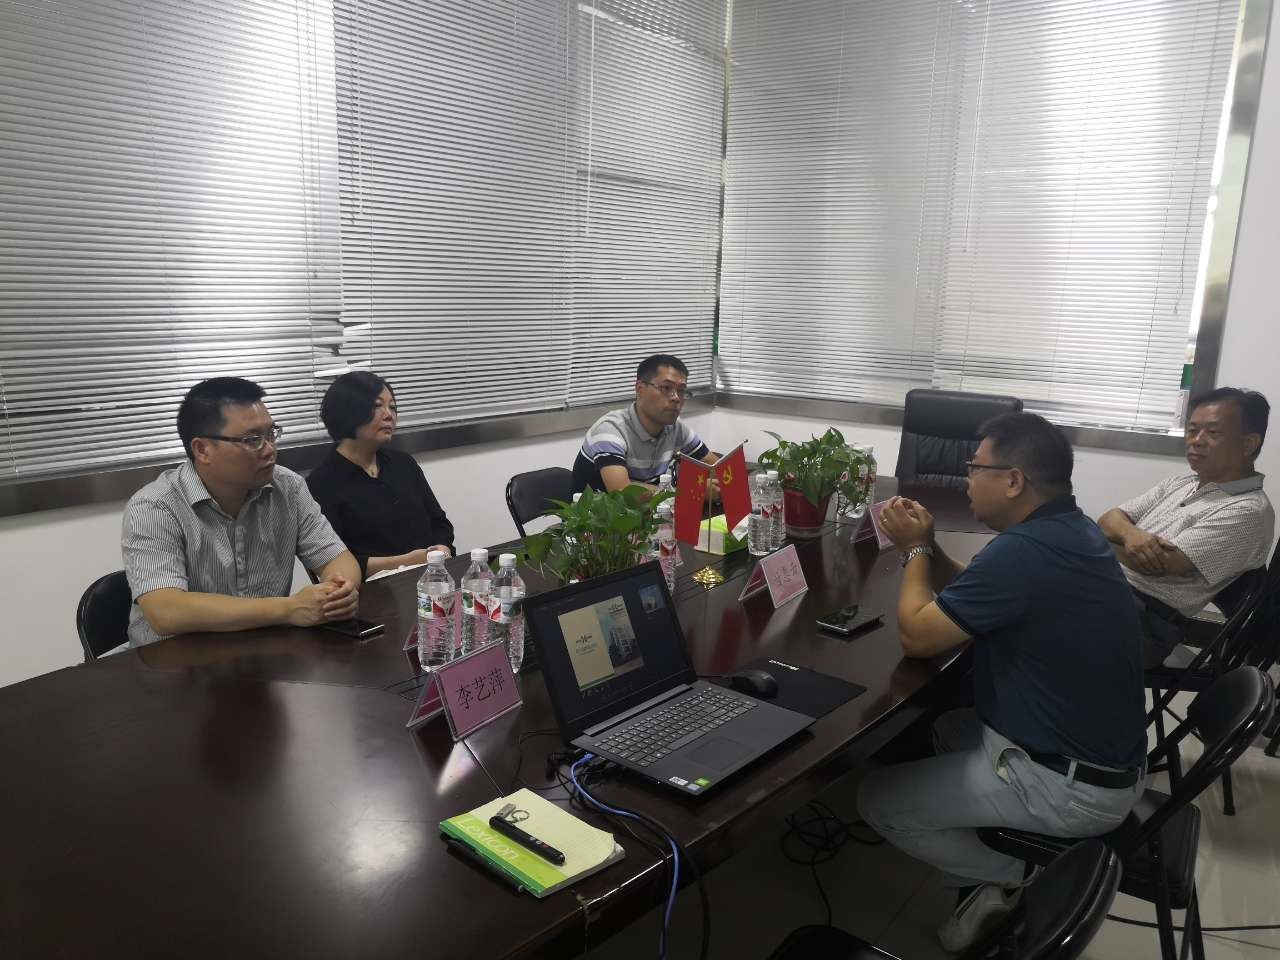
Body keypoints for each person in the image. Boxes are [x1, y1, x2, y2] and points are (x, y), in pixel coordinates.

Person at [857, 413, 1146, 953]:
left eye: (975, 468)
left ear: (1013, 481)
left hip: (1070, 787)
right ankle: (984, 844)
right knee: (945, 728)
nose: (966, 479)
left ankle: (1020, 875)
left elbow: (917, 637)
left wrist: (913, 551)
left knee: (876, 800)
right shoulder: (1068, 529)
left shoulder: (1026, 551)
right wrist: (930, 545)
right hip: (1099, 758)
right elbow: (978, 588)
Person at [122, 377, 361, 647]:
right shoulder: (155, 507)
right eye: (252, 439)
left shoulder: (288, 487)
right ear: (202, 450)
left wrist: (339, 591)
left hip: (264, 652)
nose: (270, 449)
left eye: (271, 434)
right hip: (175, 661)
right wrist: (288, 609)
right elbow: (166, 611)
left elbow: (338, 558)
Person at [1099, 388, 1273, 664]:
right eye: (1192, 431)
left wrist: (1099, 541)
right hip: (1109, 591)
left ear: (1249, 443)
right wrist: (1131, 535)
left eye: (1212, 432)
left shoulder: (1248, 510)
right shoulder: (1180, 483)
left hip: (1142, 622)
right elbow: (1109, 518)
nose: (1196, 441)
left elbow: (1160, 565)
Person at [305, 371, 455, 577]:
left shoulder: (403, 463)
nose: (389, 415)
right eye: (377, 406)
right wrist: (405, 562)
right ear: (346, 411)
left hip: (432, 577)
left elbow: (440, 523)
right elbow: (335, 561)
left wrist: (442, 550)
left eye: (392, 407)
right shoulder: (322, 483)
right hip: (376, 588)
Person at [572, 354, 718, 496]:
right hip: (597, 512)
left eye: (681, 390)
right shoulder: (610, 430)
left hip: (648, 511)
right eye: (666, 388)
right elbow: (623, 492)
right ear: (640, 389)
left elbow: (718, 469)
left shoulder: (676, 429)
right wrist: (690, 491)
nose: (676, 398)